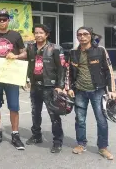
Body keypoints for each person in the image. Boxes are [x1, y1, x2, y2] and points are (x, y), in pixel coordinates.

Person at [67, 26, 116, 160]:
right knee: (80, 119)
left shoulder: (100, 51)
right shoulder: (73, 53)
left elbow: (109, 71)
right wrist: (69, 87)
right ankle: (81, 144)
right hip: (80, 91)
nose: (82, 37)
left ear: (90, 35)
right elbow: (69, 72)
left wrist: (112, 90)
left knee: (101, 120)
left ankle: (103, 147)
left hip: (97, 91)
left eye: (85, 34)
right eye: (79, 34)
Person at [0, 8, 27, 150]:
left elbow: (24, 53)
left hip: (12, 76)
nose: (2, 22)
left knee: (14, 106)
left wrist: (16, 56)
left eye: (4, 19)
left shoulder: (16, 35)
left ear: (9, 20)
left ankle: (15, 134)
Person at [25, 24, 65, 153]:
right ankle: (36, 136)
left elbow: (62, 68)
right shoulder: (30, 47)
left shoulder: (56, 48)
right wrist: (26, 79)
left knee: (54, 115)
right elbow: (27, 64)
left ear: (47, 34)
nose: (38, 35)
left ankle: (57, 141)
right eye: (36, 33)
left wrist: (60, 86)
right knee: (35, 112)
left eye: (41, 33)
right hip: (35, 86)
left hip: (50, 86)